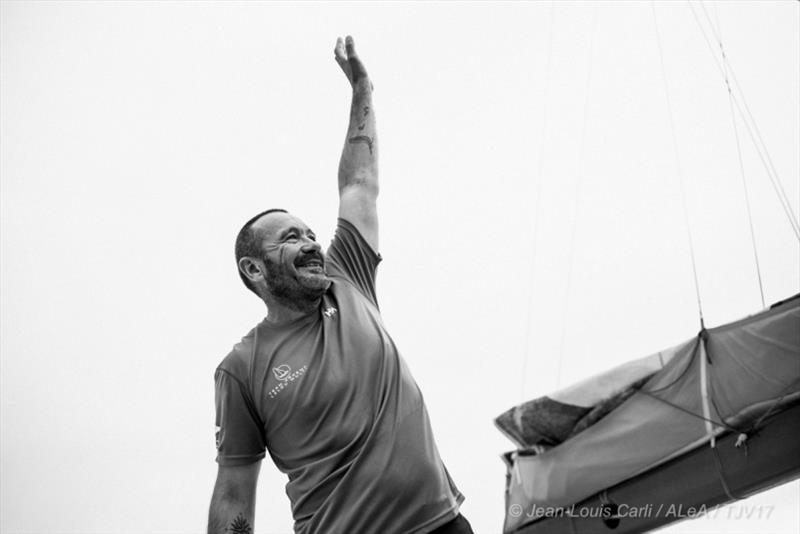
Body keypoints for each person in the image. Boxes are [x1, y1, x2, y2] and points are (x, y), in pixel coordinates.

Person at [207, 36, 473, 534]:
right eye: (291, 238)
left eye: (310, 233)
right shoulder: (241, 369)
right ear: (254, 270)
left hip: (443, 525)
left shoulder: (345, 275)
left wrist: (362, 90)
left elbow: (358, 184)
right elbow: (234, 490)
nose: (311, 243)